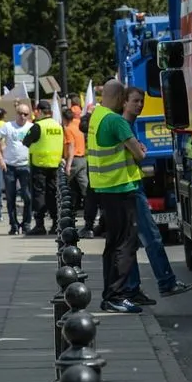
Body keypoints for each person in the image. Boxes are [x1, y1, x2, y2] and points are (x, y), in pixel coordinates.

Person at [121, 86, 192, 304]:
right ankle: (166, 282)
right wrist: (140, 151)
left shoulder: (129, 124)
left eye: (141, 101)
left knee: (133, 241)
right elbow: (139, 155)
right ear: (124, 102)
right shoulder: (124, 125)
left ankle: (134, 289)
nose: (140, 105)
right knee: (151, 238)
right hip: (130, 189)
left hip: (130, 187)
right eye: (135, 101)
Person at [87, 80, 147, 313]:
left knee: (113, 245)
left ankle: (111, 294)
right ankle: (116, 295)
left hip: (105, 189)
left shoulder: (98, 115)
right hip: (121, 188)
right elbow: (139, 154)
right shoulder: (116, 121)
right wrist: (139, 149)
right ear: (120, 97)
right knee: (125, 244)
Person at [22, 99, 63, 235]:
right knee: (53, 195)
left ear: (39, 111)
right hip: (54, 164)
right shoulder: (58, 126)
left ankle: (40, 225)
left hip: (39, 165)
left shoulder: (38, 126)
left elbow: (26, 142)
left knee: (39, 195)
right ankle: (55, 224)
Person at [1, 102, 35, 235]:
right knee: (10, 198)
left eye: (25, 114)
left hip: (25, 166)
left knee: (27, 197)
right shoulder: (8, 126)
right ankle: (13, 225)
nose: (22, 116)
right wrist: (0, 158)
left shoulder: (32, 127)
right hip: (10, 166)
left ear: (29, 115)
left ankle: (26, 224)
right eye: (20, 113)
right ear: (16, 114)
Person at [62, 104, 91, 233]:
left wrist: (68, 165)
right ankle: (91, 208)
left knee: (64, 186)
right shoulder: (77, 125)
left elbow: (71, 146)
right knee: (84, 187)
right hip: (83, 158)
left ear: (64, 118)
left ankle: (67, 213)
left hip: (74, 160)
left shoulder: (68, 129)